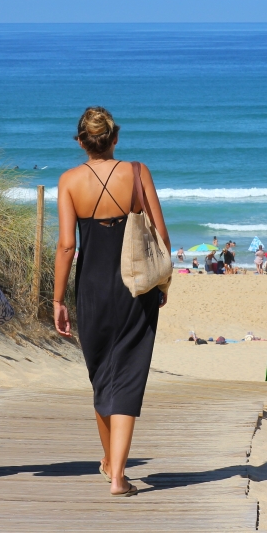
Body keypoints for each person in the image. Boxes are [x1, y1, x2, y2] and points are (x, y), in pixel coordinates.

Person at [53, 107, 170, 498]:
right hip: (135, 287)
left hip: (91, 288)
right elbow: (161, 236)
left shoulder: (69, 181)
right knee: (128, 375)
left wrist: (57, 299)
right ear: (115, 138)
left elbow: (67, 245)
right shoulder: (138, 173)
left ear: (81, 141)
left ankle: (112, 464)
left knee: (102, 375)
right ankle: (116, 472)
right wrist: (163, 283)